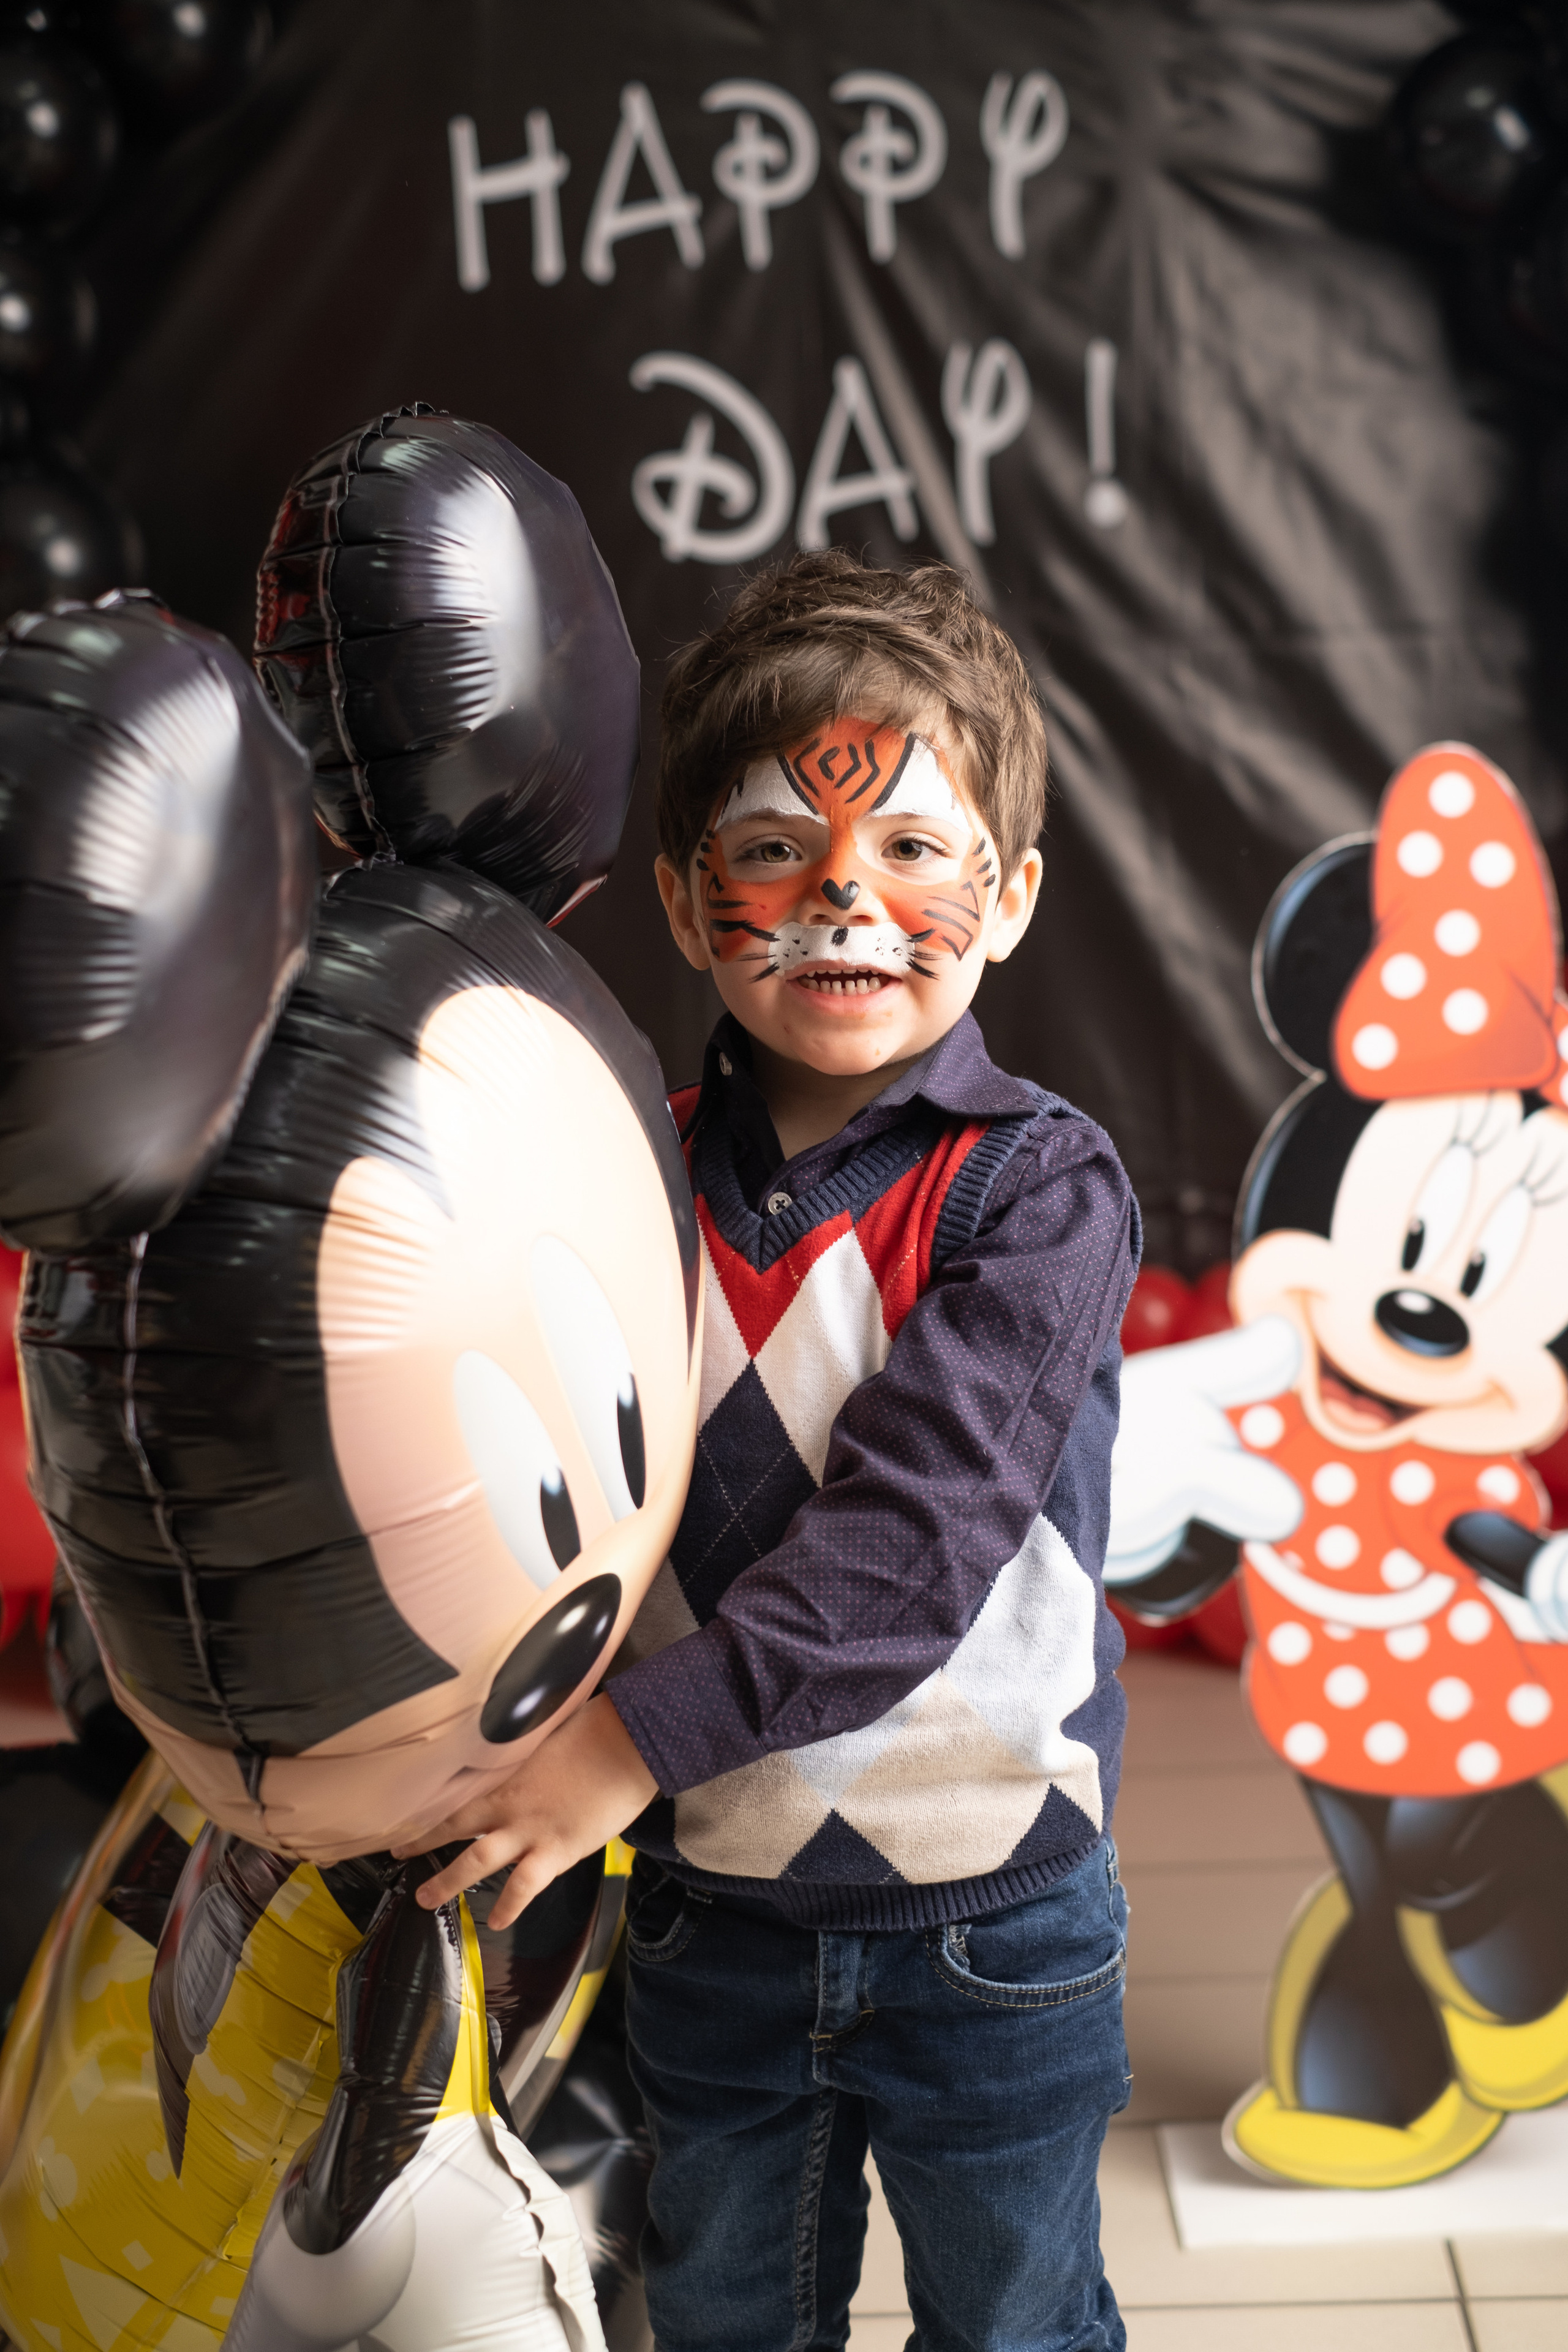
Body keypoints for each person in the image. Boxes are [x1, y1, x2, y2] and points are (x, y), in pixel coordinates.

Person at [398, 549, 1141, 2352]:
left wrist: (621, 1750)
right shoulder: (618, 1172)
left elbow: (908, 1557)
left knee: (1016, 2327)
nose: (843, 902)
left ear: (1013, 894)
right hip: (717, 1904)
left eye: (911, 849)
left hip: (994, 1922)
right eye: (771, 850)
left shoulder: (1035, 1191)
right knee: (725, 2322)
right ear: (679, 893)